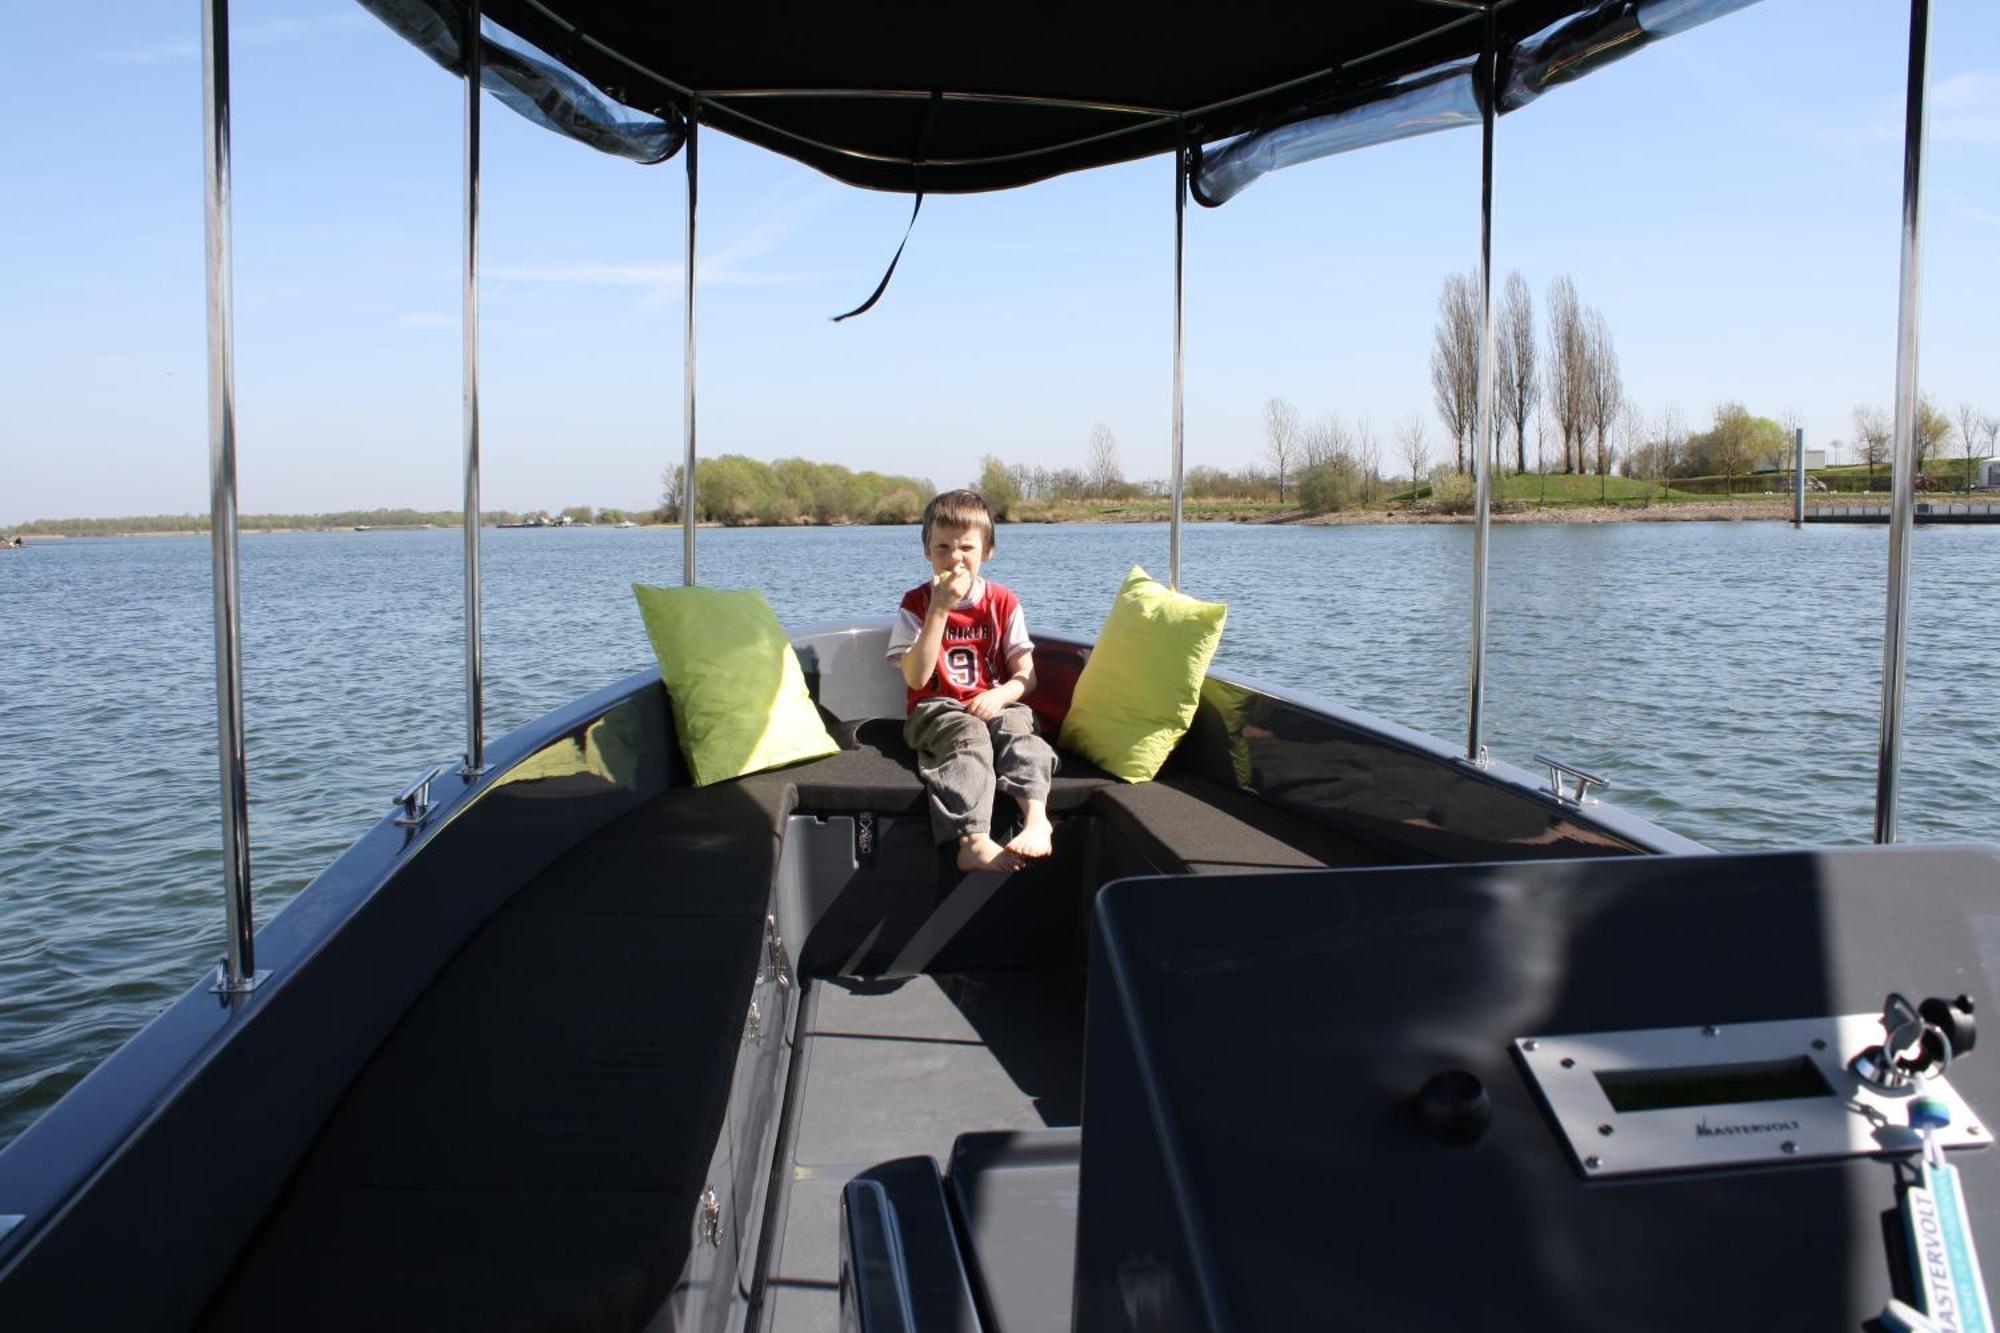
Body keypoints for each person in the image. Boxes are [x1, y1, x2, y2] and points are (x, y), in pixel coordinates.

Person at [886, 490, 1057, 873]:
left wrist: (1001, 695)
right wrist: (940, 608)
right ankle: (972, 841)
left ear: (988, 551)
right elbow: (915, 677)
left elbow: (1026, 676)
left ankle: (1036, 817)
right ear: (927, 551)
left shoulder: (1003, 602)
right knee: (970, 736)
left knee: (1019, 726)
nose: (955, 557)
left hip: (993, 701)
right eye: (942, 547)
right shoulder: (917, 603)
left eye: (966, 547)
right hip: (934, 709)